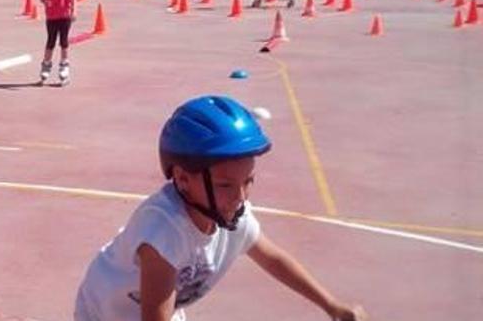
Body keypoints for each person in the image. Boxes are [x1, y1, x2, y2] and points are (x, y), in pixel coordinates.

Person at [74, 95, 368, 321]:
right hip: (105, 314)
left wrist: (331, 305)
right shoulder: (162, 232)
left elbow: (273, 259)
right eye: (226, 185)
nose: (240, 196)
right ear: (182, 179)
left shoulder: (231, 213)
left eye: (248, 181)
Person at [38, 0, 76, 85]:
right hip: (51, 17)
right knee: (50, 41)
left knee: (64, 42)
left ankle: (64, 66)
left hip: (65, 15)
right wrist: (45, 1)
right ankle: (46, 65)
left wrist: (73, 12)